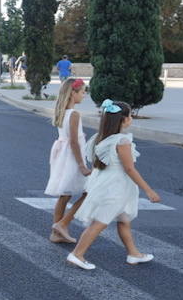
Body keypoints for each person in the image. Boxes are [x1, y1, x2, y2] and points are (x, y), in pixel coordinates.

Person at [66, 100, 161, 270]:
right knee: (100, 222)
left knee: (124, 219)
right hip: (116, 186)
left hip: (107, 182)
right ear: (123, 120)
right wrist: (149, 190)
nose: (131, 118)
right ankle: (77, 254)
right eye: (130, 115)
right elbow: (130, 169)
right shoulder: (122, 141)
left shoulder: (100, 137)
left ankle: (133, 253)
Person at [45, 78, 90, 244]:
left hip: (62, 154)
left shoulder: (62, 111)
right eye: (82, 92)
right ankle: (62, 224)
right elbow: (73, 141)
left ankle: (56, 231)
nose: (84, 95)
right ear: (73, 93)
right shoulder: (74, 114)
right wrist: (82, 165)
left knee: (64, 194)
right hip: (72, 156)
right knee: (89, 190)